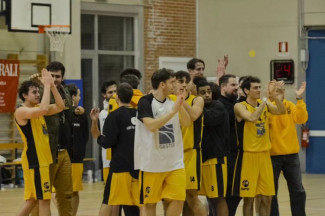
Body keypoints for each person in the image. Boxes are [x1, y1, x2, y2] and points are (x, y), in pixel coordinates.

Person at [134, 68, 191, 216]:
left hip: (174, 163)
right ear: (162, 84)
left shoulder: (173, 100)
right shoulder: (145, 101)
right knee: (150, 204)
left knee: (178, 199)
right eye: (172, 82)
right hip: (151, 164)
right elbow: (151, 126)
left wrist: (180, 104)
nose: (175, 85)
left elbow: (186, 123)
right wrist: (172, 111)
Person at [232, 76, 285, 216]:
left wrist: (277, 97)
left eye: (260, 87)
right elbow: (251, 117)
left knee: (267, 198)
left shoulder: (264, 103)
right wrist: (265, 102)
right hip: (249, 157)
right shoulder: (240, 106)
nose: (259, 90)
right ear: (246, 90)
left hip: (265, 156)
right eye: (255, 88)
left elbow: (281, 111)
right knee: (249, 199)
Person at [15, 69, 65, 216]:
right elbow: (44, 109)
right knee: (44, 200)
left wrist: (53, 86)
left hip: (41, 159)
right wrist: (47, 86)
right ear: (24, 95)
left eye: (38, 91)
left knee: (32, 200)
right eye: (34, 92)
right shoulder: (22, 111)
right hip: (34, 160)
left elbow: (60, 106)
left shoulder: (37, 108)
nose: (38, 94)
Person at [90, 83, 142, 216]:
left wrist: (95, 125)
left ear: (117, 97)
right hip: (139, 167)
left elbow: (107, 142)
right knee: (137, 205)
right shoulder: (140, 114)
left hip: (120, 168)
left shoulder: (113, 116)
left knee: (109, 201)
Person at [269, 81, 308, 216]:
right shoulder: (268, 108)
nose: (280, 89)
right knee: (271, 192)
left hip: (291, 156)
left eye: (282, 88)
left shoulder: (290, 105)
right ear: (270, 92)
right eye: (275, 88)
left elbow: (302, 118)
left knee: (298, 190)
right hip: (272, 156)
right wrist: (274, 99)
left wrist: (299, 98)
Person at [171, 71, 205, 216]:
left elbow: (193, 115)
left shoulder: (197, 100)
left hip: (191, 153)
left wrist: (181, 100)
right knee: (173, 198)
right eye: (180, 81)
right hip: (172, 155)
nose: (184, 84)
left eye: (187, 81)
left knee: (191, 196)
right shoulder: (167, 101)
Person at [196, 78, 229, 216]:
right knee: (198, 198)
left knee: (218, 198)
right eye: (203, 92)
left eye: (208, 91)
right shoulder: (195, 107)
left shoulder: (218, 106)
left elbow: (209, 120)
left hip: (216, 159)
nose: (207, 95)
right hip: (200, 159)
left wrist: (197, 105)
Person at [218, 74, 241, 216]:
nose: (236, 88)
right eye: (233, 85)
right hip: (225, 156)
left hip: (238, 154)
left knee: (236, 194)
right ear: (223, 87)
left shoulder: (237, 104)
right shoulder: (219, 105)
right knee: (226, 194)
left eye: (237, 85)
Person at [65, 84, 89, 216]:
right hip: (62, 157)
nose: (79, 98)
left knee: (75, 191)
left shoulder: (82, 115)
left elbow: (85, 136)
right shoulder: (62, 113)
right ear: (73, 97)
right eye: (78, 95)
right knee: (55, 191)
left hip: (76, 158)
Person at [99, 80, 117, 183]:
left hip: (121, 157)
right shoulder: (101, 112)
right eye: (110, 92)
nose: (114, 94)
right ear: (104, 95)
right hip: (107, 157)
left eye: (115, 91)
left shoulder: (124, 109)